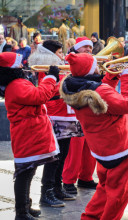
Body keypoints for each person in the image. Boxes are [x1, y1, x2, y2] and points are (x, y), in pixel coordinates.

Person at [60, 52, 128, 220]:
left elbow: (103, 95)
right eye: (95, 64)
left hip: (102, 150)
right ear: (90, 69)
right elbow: (127, 104)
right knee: (119, 196)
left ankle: (90, 217)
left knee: (104, 190)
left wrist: (112, 76)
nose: (98, 66)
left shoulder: (78, 88)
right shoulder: (99, 91)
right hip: (119, 148)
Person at [0, 52, 59, 219]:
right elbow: (39, 96)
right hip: (27, 133)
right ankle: (21, 211)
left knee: (28, 171)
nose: (22, 66)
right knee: (24, 173)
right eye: (19, 64)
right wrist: (51, 78)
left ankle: (25, 206)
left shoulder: (16, 83)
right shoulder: (17, 84)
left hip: (29, 132)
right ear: (12, 69)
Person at [28, 40, 77, 207]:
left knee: (63, 154)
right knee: (54, 156)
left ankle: (57, 187)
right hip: (55, 113)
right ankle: (46, 192)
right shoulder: (46, 67)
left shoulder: (57, 65)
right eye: (59, 52)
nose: (62, 56)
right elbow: (48, 89)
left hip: (66, 113)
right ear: (51, 54)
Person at [62, 36, 98, 195]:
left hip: (89, 111)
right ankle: (68, 180)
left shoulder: (92, 61)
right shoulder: (69, 63)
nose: (89, 51)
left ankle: (86, 177)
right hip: (73, 113)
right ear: (77, 48)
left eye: (90, 48)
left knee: (90, 147)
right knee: (74, 149)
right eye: (86, 48)